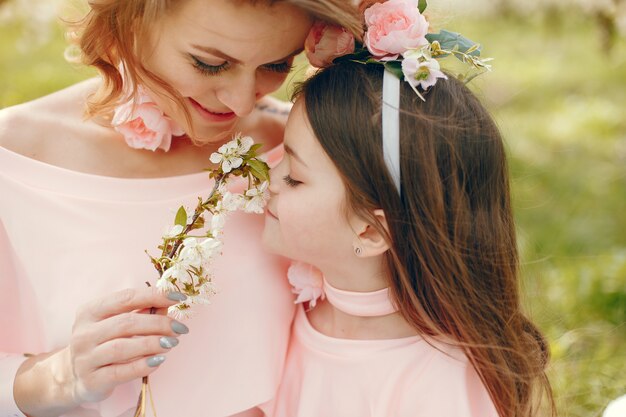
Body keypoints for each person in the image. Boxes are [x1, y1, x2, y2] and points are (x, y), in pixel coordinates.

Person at [0, 1, 360, 416]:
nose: (242, 102)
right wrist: (58, 376)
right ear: (130, 16)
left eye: (276, 65)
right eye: (209, 64)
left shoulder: (310, 157)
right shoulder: (15, 161)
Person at [259, 4, 556, 415]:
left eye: (294, 177)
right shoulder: (289, 303)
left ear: (370, 232)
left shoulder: (434, 384)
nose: (270, 180)